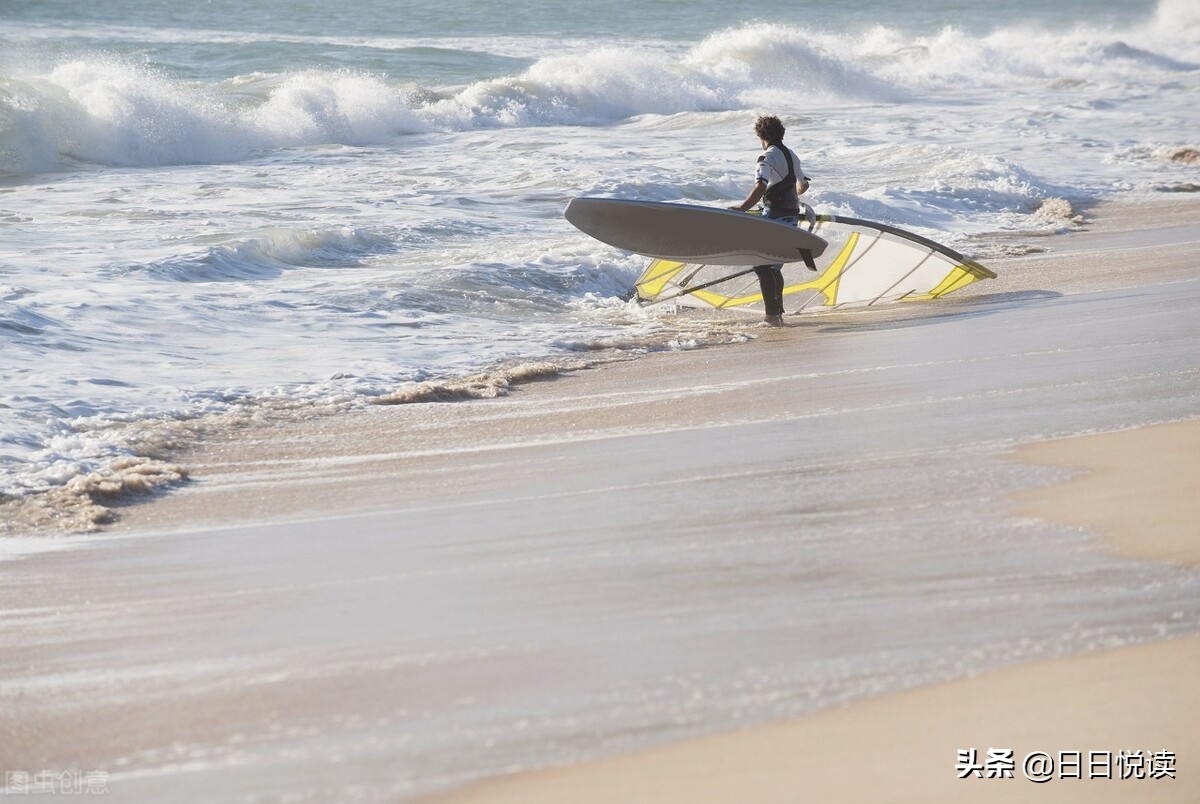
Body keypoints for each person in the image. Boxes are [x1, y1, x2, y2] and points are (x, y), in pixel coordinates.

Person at [728, 115, 811, 325]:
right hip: (791, 218)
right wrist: (791, 196)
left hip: (775, 218)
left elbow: (760, 186)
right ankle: (778, 313)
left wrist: (742, 208)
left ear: (761, 136)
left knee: (763, 265)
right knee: (773, 266)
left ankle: (772, 316)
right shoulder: (791, 155)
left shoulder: (766, 157)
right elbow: (803, 185)